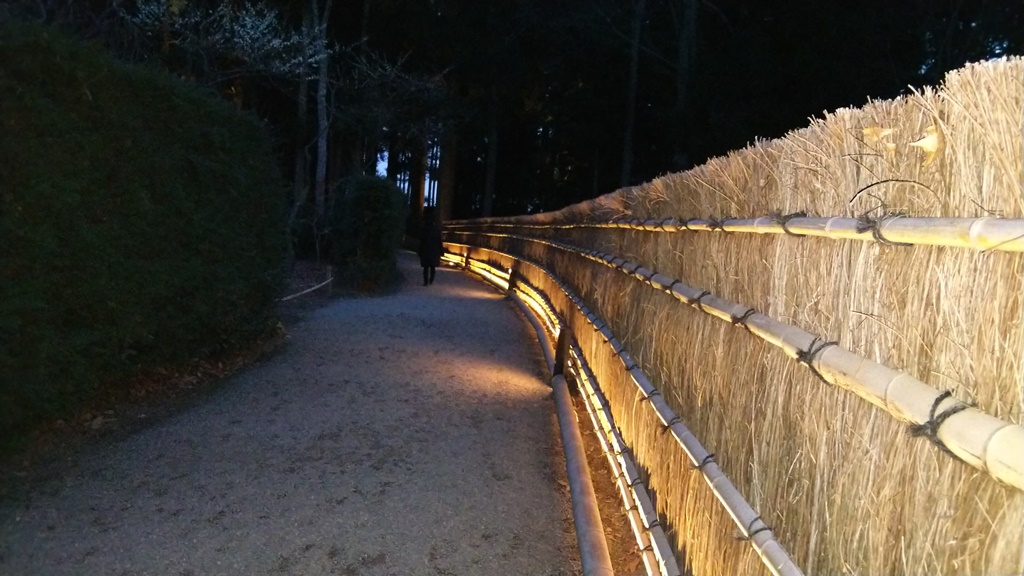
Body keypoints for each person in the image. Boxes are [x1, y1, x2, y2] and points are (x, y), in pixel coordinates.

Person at [417, 207, 444, 286]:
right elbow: (439, 240)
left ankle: (426, 281)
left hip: (426, 249)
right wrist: (441, 251)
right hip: (434, 249)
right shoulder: (436, 229)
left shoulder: (424, 228)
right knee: (432, 267)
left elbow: (422, 240)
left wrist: (420, 250)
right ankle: (431, 280)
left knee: (426, 267)